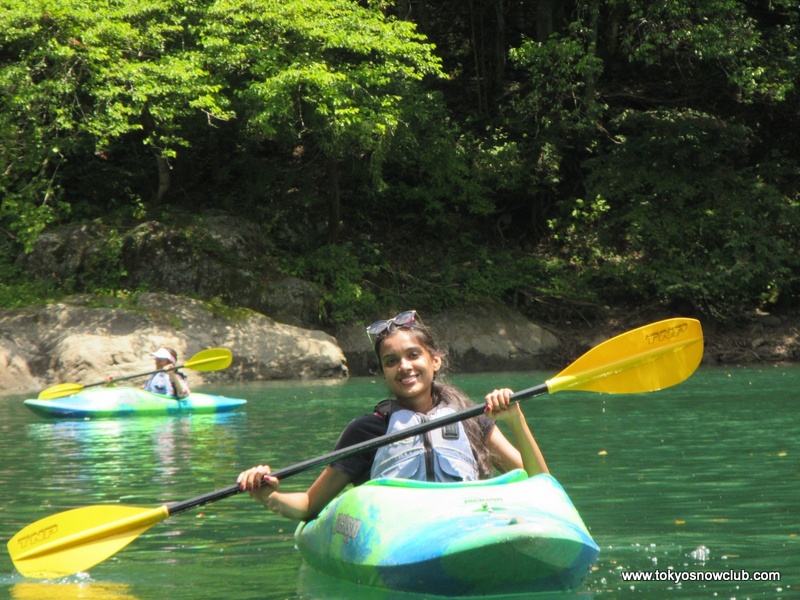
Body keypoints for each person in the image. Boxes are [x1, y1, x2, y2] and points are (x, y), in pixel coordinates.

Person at [237, 310, 549, 521]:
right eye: (391, 361)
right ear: (383, 372)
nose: (404, 367)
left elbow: (542, 484)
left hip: (465, 524)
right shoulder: (367, 431)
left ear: (435, 361)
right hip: (399, 532)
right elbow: (308, 506)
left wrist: (515, 419)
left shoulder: (472, 419)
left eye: (413, 355)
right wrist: (268, 497)